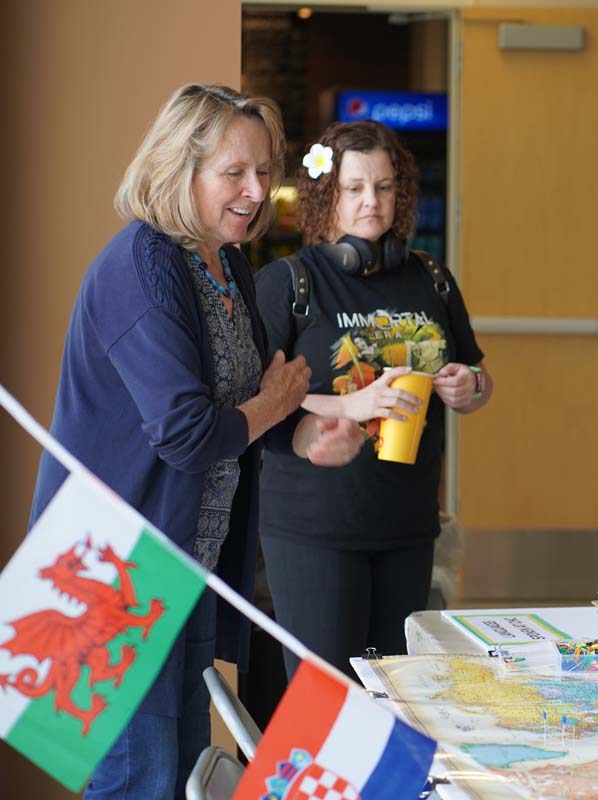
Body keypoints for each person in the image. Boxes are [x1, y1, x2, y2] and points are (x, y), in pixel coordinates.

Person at [27, 84, 364, 799]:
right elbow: (187, 434)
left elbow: (245, 413)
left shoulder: (226, 263)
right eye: (234, 173)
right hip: (118, 576)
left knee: (182, 778)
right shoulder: (142, 265)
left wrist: (301, 433)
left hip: (188, 572)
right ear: (180, 170)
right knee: (140, 784)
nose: (256, 190)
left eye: (265, 170)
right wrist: (275, 407)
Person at [254, 120, 492, 679]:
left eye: (384, 187)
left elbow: (477, 376)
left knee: (397, 697)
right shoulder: (288, 283)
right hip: (315, 528)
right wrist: (348, 408)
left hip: (408, 525)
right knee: (326, 699)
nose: (371, 202)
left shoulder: (431, 278)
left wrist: (471, 387)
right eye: (354, 188)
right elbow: (254, 401)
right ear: (327, 194)